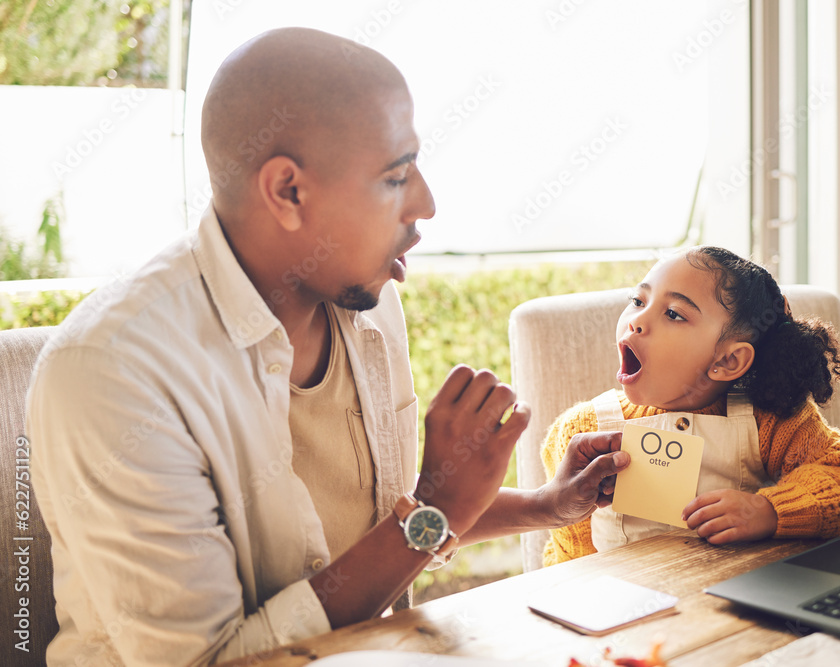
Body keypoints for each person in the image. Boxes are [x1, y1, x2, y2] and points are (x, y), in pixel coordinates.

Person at [27, 28, 628, 666]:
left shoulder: (365, 299)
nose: (426, 202)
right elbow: (214, 661)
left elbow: (384, 528)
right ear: (287, 192)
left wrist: (545, 505)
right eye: (396, 176)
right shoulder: (113, 377)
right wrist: (436, 507)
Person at [541, 246, 840, 566]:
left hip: (738, 621)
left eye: (674, 314)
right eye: (638, 301)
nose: (637, 321)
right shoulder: (583, 431)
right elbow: (568, 553)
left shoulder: (770, 424)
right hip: (627, 628)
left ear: (729, 361)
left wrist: (771, 511)